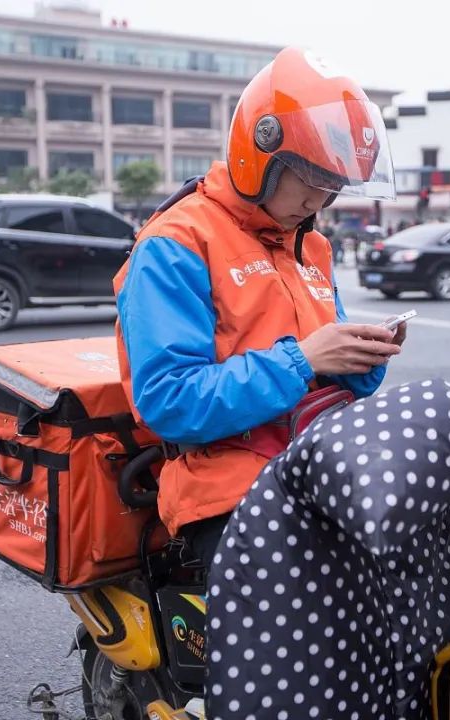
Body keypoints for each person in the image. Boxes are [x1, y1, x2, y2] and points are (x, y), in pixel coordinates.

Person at [113, 47, 405, 567]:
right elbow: (167, 401)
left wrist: (362, 359)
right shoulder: (176, 243)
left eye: (334, 185)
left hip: (318, 466)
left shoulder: (310, 246)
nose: (320, 201)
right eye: (312, 178)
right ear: (262, 157)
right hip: (225, 488)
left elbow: (324, 370)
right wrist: (304, 360)